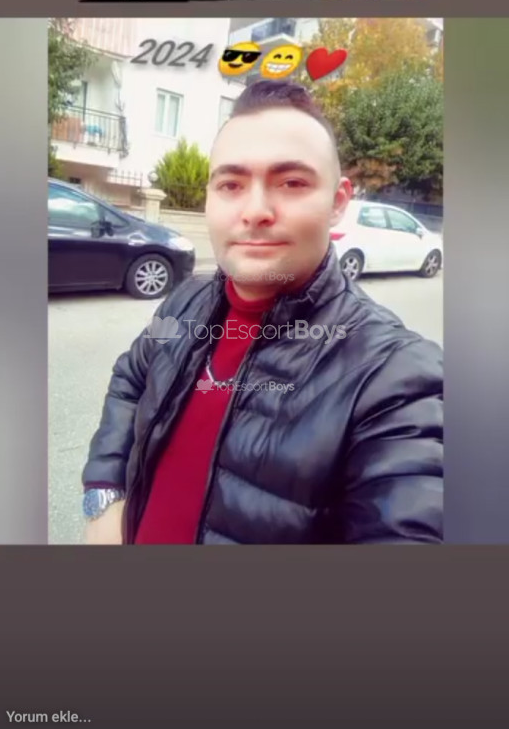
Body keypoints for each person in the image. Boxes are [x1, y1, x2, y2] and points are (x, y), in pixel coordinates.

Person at [81, 80, 443, 545]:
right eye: (231, 184)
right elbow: (130, 380)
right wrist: (103, 494)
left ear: (338, 202)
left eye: (291, 183)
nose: (255, 210)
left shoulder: (396, 377)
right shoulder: (186, 301)